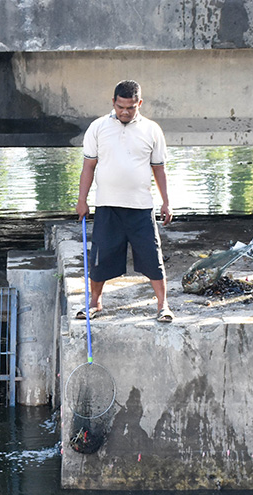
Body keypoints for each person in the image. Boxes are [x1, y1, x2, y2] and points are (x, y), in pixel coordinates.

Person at [75, 80, 174, 323]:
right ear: (113, 102)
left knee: (152, 257)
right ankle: (95, 302)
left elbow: (159, 169)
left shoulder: (152, 130)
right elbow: (88, 166)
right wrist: (82, 200)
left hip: (140, 208)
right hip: (108, 206)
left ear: (139, 104)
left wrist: (166, 202)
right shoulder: (98, 127)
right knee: (101, 256)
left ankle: (163, 306)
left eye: (130, 107)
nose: (125, 112)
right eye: (120, 107)